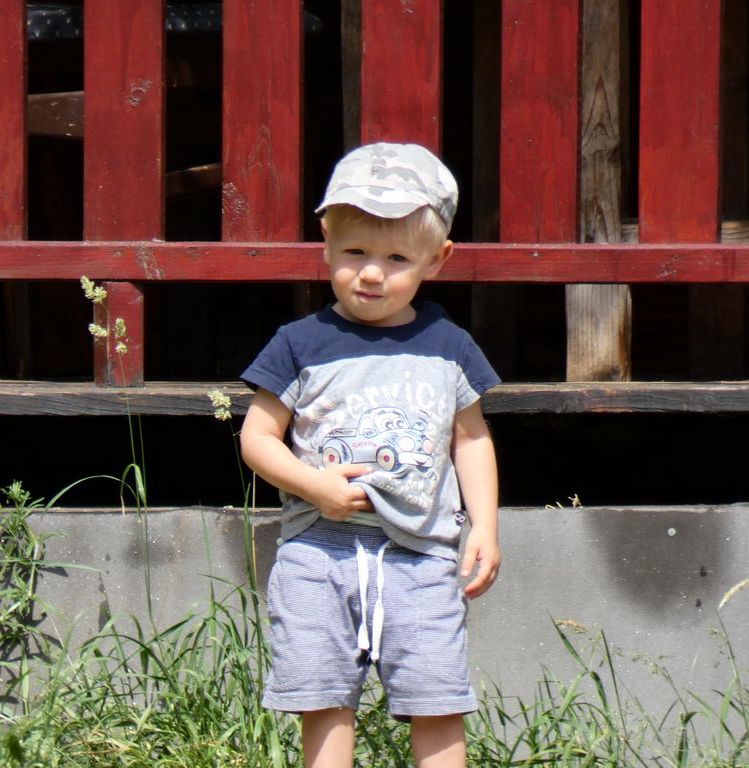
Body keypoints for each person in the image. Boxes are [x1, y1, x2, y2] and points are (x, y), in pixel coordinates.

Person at [239, 142, 500, 768]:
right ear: (327, 243)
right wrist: (313, 486)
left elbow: (471, 440)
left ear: (437, 259)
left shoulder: (448, 346)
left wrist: (485, 527)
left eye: (396, 258)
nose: (372, 274)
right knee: (324, 699)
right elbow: (256, 438)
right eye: (355, 252)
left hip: (423, 553)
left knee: (436, 698)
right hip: (317, 553)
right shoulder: (300, 343)